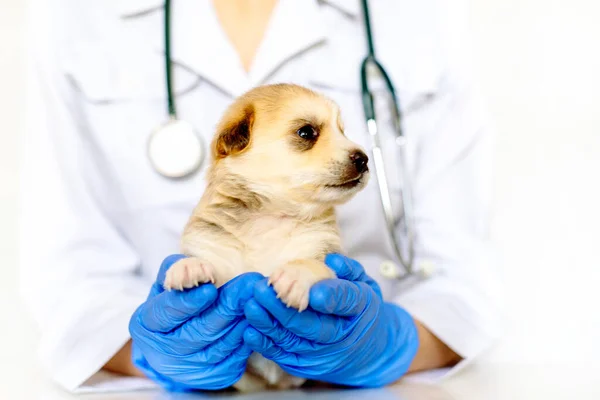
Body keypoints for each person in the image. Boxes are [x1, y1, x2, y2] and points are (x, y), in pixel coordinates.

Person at [21, 0, 502, 393]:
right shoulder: (75, 16)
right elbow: (67, 269)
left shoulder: (421, 14)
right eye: (309, 133)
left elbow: (462, 276)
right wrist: (157, 354)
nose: (354, 153)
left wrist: (386, 346)